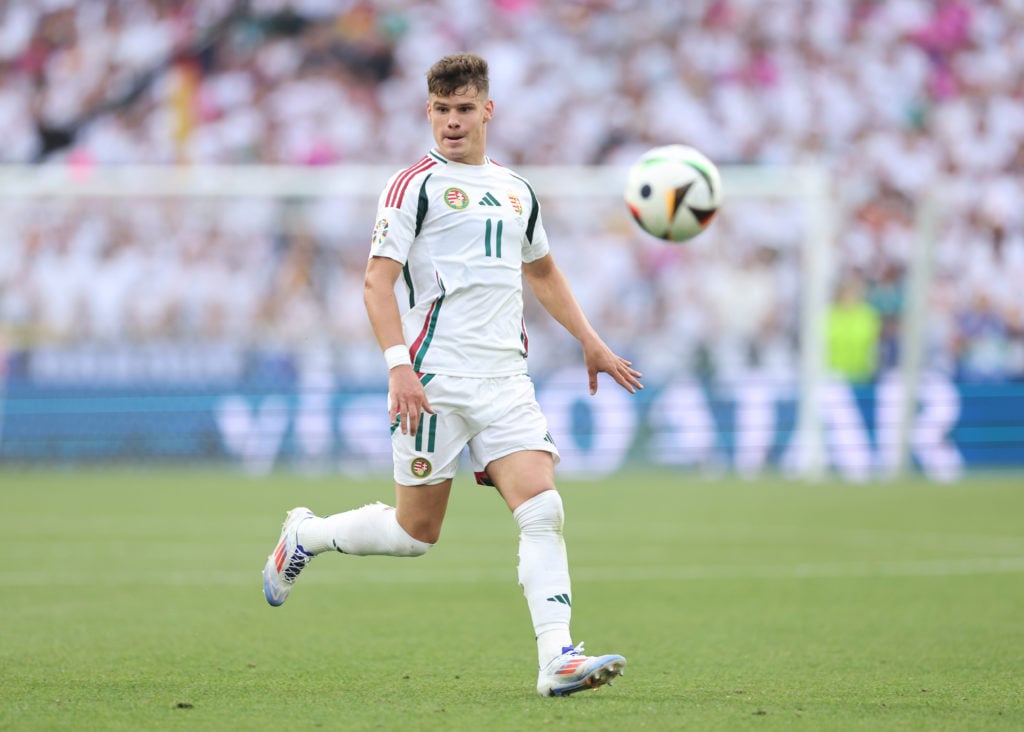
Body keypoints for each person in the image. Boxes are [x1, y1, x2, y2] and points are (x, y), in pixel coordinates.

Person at [262, 52, 643, 698]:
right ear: (428, 113)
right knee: (416, 534)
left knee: (543, 508)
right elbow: (375, 284)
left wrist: (591, 340)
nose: (452, 122)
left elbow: (543, 273)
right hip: (433, 379)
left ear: (487, 110)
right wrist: (399, 367)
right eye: (441, 110)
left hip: (505, 378)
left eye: (464, 109)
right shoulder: (414, 186)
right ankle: (306, 534)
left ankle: (557, 658)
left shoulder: (518, 190)